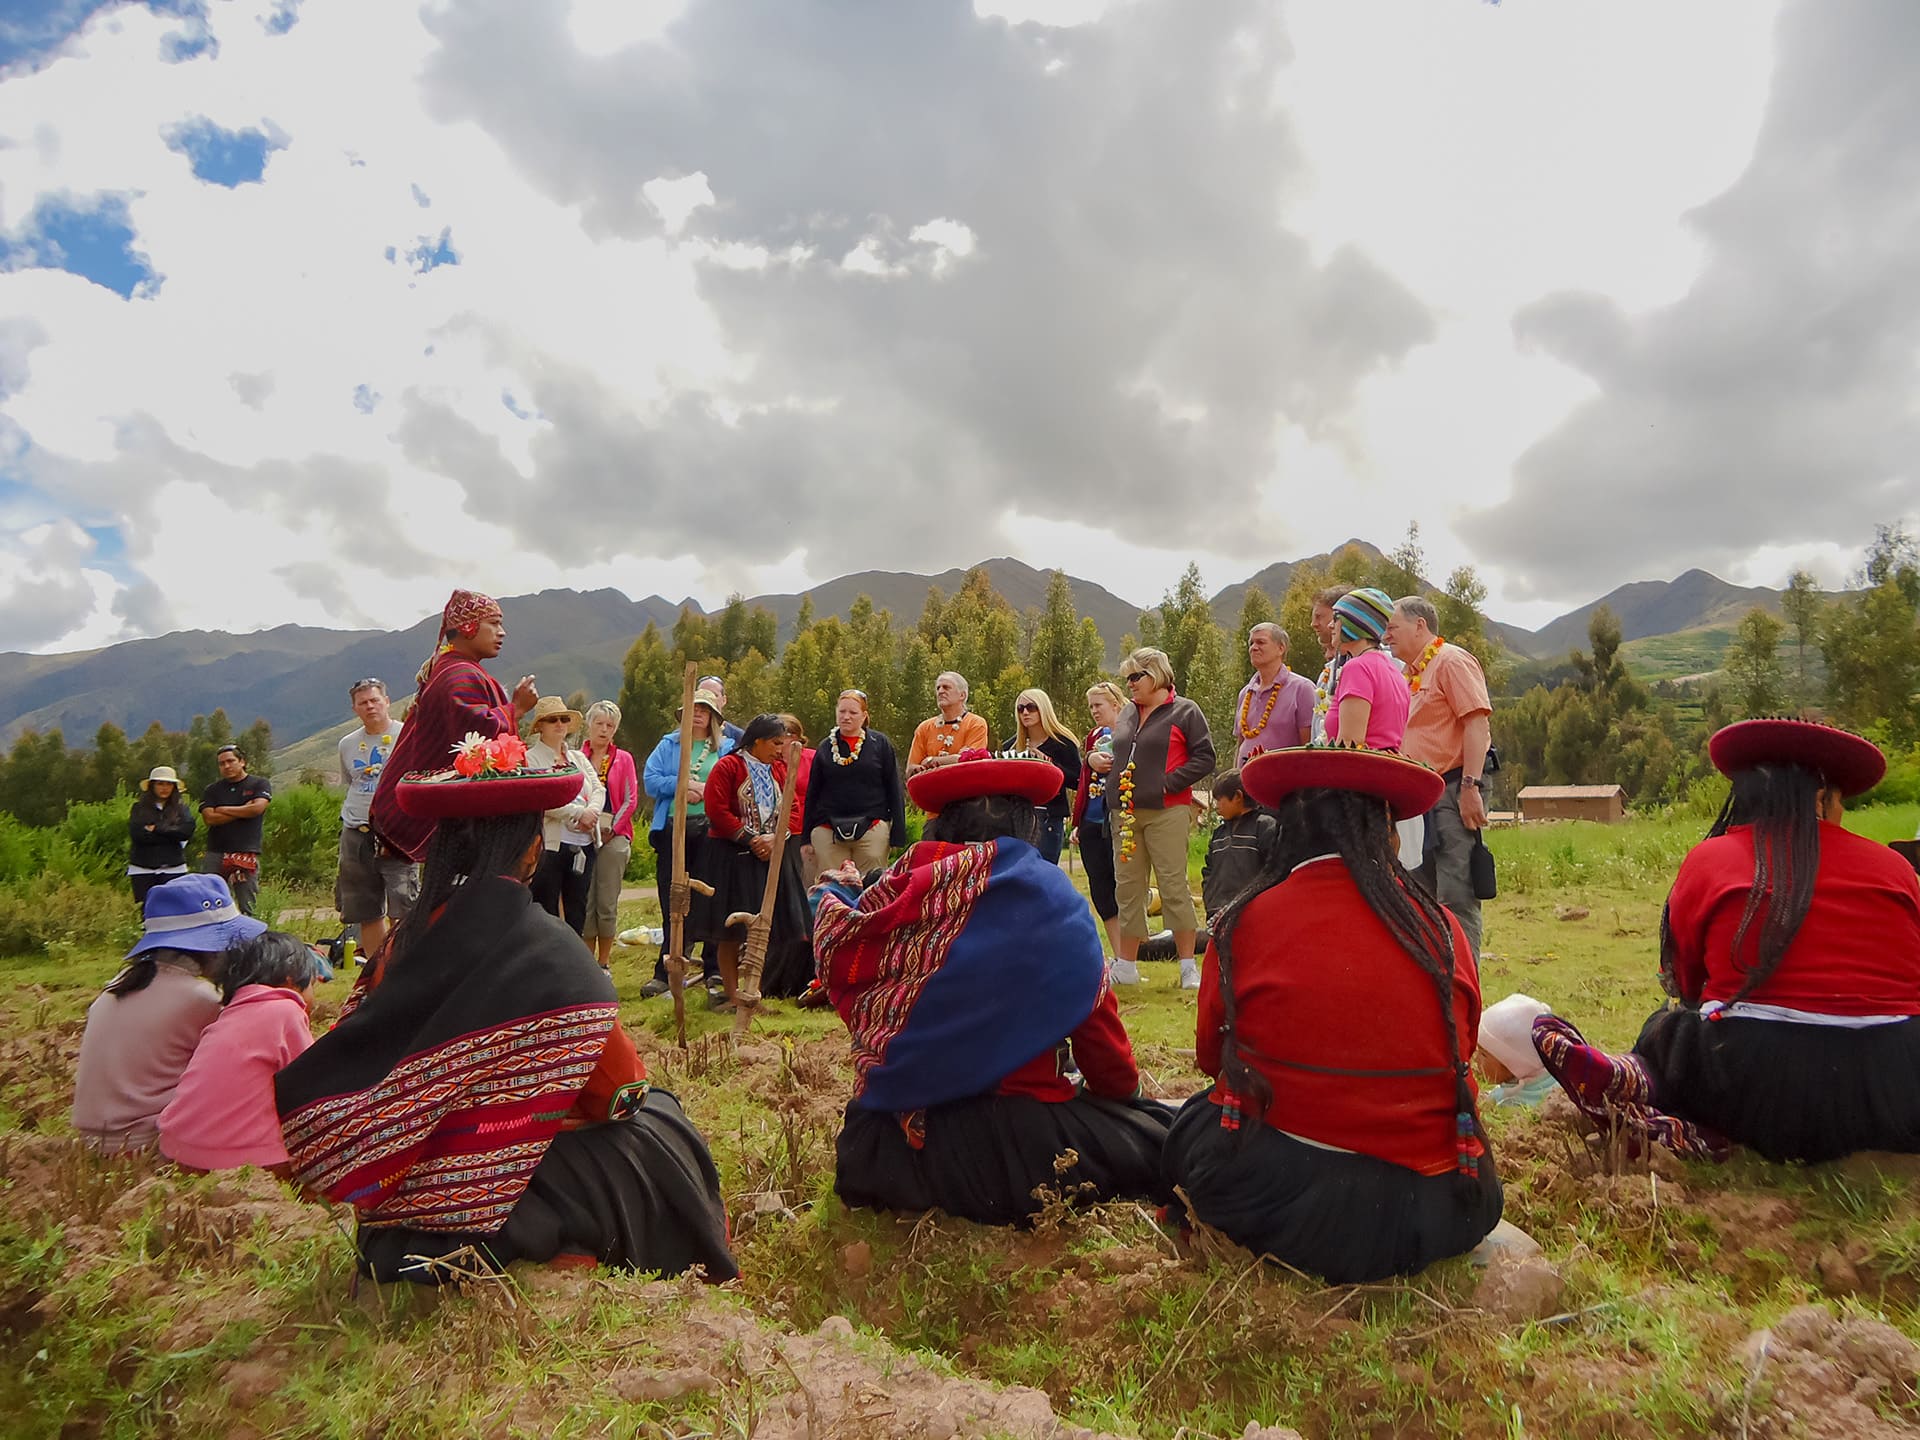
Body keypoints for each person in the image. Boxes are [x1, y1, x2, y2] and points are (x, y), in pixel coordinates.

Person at [276, 740, 737, 1284]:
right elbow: (619, 1093)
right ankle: (557, 1239)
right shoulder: (551, 950)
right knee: (658, 1119)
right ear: (532, 851)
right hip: (494, 1190)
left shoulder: (400, 941)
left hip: (398, 1187)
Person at [1163, 745, 1502, 1283]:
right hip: (1438, 1208)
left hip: (1273, 1200)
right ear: (1387, 833)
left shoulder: (1241, 923)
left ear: (1288, 833)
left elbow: (1211, 1057)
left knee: (1191, 1126)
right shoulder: (1443, 929)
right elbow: (1459, 1053)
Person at [1533, 719, 1920, 1165]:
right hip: (1898, 1097)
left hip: (1758, 1096)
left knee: (1670, 1029)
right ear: (1820, 798)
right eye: (1840, 801)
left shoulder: (1711, 859)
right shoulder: (1895, 868)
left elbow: (1687, 985)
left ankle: (1647, 1090)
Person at [817, 753, 1172, 1226]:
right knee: (1162, 1137)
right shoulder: (1047, 895)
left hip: (885, 1151)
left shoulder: (896, 890)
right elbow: (1106, 1056)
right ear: (1027, 826)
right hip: (1014, 1151)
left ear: (942, 824)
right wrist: (1127, 1100)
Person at [71, 873, 266, 1153]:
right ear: (208, 949)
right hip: (150, 1139)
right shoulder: (200, 999)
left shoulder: (118, 985)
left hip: (92, 1139)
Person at [371, 589, 539, 864]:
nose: (502, 632)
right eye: (494, 623)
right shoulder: (459, 675)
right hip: (460, 828)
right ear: (468, 627)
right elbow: (474, 736)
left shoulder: (454, 669)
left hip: (457, 825)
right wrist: (517, 709)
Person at [158, 930, 317, 1174]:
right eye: (313, 985)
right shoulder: (286, 1010)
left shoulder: (228, 1015)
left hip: (177, 1149)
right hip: (245, 1161)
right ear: (291, 981)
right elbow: (311, 1087)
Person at [1386, 596, 1494, 958]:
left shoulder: (1451, 660)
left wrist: (1471, 787)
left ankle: (1463, 981)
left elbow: (1476, 724)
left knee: (1456, 894)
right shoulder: (1406, 675)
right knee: (1421, 893)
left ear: (1420, 626)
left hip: (1453, 787)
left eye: (1392, 627)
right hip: (1419, 798)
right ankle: (1435, 977)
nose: (1386, 636)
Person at [1109, 647, 1215, 989]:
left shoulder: (1186, 710)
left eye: (1135, 677)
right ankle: (1126, 966)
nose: (1129, 684)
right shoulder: (1127, 712)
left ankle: (1188, 967)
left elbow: (1205, 757)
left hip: (1168, 810)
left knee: (1172, 885)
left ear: (1155, 675)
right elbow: (1122, 750)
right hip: (1125, 812)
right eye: (1127, 678)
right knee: (1128, 887)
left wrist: (1168, 783)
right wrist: (1100, 760)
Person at [703, 715, 815, 1004]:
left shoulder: (779, 770)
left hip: (770, 856)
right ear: (757, 741)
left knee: (766, 926)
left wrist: (776, 838)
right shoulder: (728, 766)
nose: (780, 749)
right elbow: (716, 809)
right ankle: (732, 994)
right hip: (733, 856)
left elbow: (793, 808)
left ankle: (755, 989)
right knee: (732, 930)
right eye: (775, 743)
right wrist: (750, 839)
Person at [640, 693, 731, 1001]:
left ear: (714, 716)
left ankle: (714, 969)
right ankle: (666, 971)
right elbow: (651, 781)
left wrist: (707, 790)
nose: (699, 714)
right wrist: (682, 786)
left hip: (712, 831)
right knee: (673, 899)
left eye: (705, 710)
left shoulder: (725, 748)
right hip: (674, 830)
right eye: (694, 709)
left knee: (712, 898)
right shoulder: (669, 745)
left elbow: (732, 784)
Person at [336, 678, 417, 958]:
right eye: (363, 703)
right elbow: (352, 782)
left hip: (397, 830)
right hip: (356, 830)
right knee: (365, 908)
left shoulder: (408, 736)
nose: (370, 706)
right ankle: (375, 970)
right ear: (354, 709)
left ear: (387, 701)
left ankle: (403, 965)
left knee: (403, 904)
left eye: (374, 700)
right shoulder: (347, 744)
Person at [525, 697, 605, 936]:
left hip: (584, 844)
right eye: (552, 720)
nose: (559, 724)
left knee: (577, 910)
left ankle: (574, 958)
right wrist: (579, 813)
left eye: (563, 719)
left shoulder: (578, 758)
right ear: (540, 726)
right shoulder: (531, 759)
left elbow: (598, 789)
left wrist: (592, 813)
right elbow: (540, 798)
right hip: (550, 846)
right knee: (545, 910)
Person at [803, 689, 905, 875]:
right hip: (828, 830)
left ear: (864, 716)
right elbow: (813, 792)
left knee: (871, 885)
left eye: (853, 712)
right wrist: (806, 837)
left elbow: (894, 788)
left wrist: (897, 833)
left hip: (872, 826)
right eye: (842, 711)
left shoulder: (880, 744)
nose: (846, 717)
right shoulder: (825, 747)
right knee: (832, 885)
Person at [580, 700, 639, 969]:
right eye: (599, 723)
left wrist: (612, 828)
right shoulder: (576, 757)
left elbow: (631, 799)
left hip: (614, 835)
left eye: (610, 725)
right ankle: (585, 963)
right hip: (583, 835)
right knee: (585, 901)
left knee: (606, 902)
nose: (604, 730)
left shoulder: (623, 759)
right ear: (589, 725)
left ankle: (603, 964)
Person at [1071, 682, 1126, 960]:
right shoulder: (1094, 736)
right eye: (1091, 706)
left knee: (1123, 885)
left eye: (1098, 705)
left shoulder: (1131, 731)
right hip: (1091, 820)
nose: (1094, 711)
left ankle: (1131, 954)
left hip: (1120, 818)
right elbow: (1084, 782)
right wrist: (1077, 821)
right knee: (1101, 888)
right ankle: (1118, 954)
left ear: (1115, 704)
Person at [1000, 688, 1081, 865]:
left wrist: (1049, 764)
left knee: (1044, 870)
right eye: (1020, 708)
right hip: (1015, 816)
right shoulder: (1010, 747)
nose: (1025, 712)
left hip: (1049, 817)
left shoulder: (1062, 743)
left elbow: (1077, 780)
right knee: (1016, 871)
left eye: (1031, 707)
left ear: (1043, 709)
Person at [1322, 588, 1408, 751]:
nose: (1330, 625)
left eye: (1336, 618)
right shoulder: (1392, 670)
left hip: (1362, 767)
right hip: (1386, 764)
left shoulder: (1358, 667)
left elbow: (1350, 746)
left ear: (1354, 625)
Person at [200, 744, 272, 916]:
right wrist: (243, 810)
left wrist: (223, 809)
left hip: (245, 852)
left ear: (242, 762)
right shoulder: (212, 790)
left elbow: (257, 809)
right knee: (211, 903)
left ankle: (250, 933)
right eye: (222, 763)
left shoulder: (259, 784)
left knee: (248, 905)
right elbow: (209, 818)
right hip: (216, 852)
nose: (226, 766)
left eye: (231, 761)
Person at [1202, 770, 1277, 922]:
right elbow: (1209, 870)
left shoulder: (1264, 827)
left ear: (1237, 796)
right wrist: (1210, 898)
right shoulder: (1219, 834)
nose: (1216, 806)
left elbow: (1273, 871)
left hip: (1254, 914)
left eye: (1219, 800)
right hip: (1218, 913)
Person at [1234, 623, 1315, 762]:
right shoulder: (1245, 693)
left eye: (1261, 642)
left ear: (1281, 648)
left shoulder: (1302, 689)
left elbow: (1309, 747)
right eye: (1251, 643)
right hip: (1245, 775)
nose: (1254, 647)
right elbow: (1241, 743)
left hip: (1286, 774)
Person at [127, 765, 194, 906]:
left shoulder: (182, 809)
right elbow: (138, 835)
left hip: (174, 868)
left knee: (175, 910)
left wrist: (157, 829)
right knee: (147, 910)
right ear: (152, 786)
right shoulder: (138, 808)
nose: (165, 788)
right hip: (142, 868)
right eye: (160, 784)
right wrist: (172, 834)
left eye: (169, 784)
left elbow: (186, 832)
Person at [1476, 994, 1557, 1108]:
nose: (1476, 1060)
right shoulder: (1545, 1074)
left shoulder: (1521, 1103)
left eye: (1484, 1055)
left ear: (1514, 1064)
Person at [906, 672, 990, 778]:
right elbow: (910, 769)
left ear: (962, 695)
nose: (940, 691)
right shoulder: (924, 727)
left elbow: (971, 762)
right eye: (938, 688)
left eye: (946, 687)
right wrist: (954, 758)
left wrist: (930, 760)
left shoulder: (976, 723)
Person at [1308, 584, 1351, 745]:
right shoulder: (1327, 674)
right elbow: (1317, 730)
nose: (1313, 624)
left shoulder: (1382, 662)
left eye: (1319, 616)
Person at [779, 714, 816, 884]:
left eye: (781, 734)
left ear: (794, 736)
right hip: (776, 830)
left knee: (804, 881)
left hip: (805, 830)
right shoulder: (769, 760)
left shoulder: (813, 758)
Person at [698, 675, 745, 745]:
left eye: (714, 695)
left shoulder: (738, 738)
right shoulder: (682, 736)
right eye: (702, 695)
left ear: (724, 700)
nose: (707, 699)